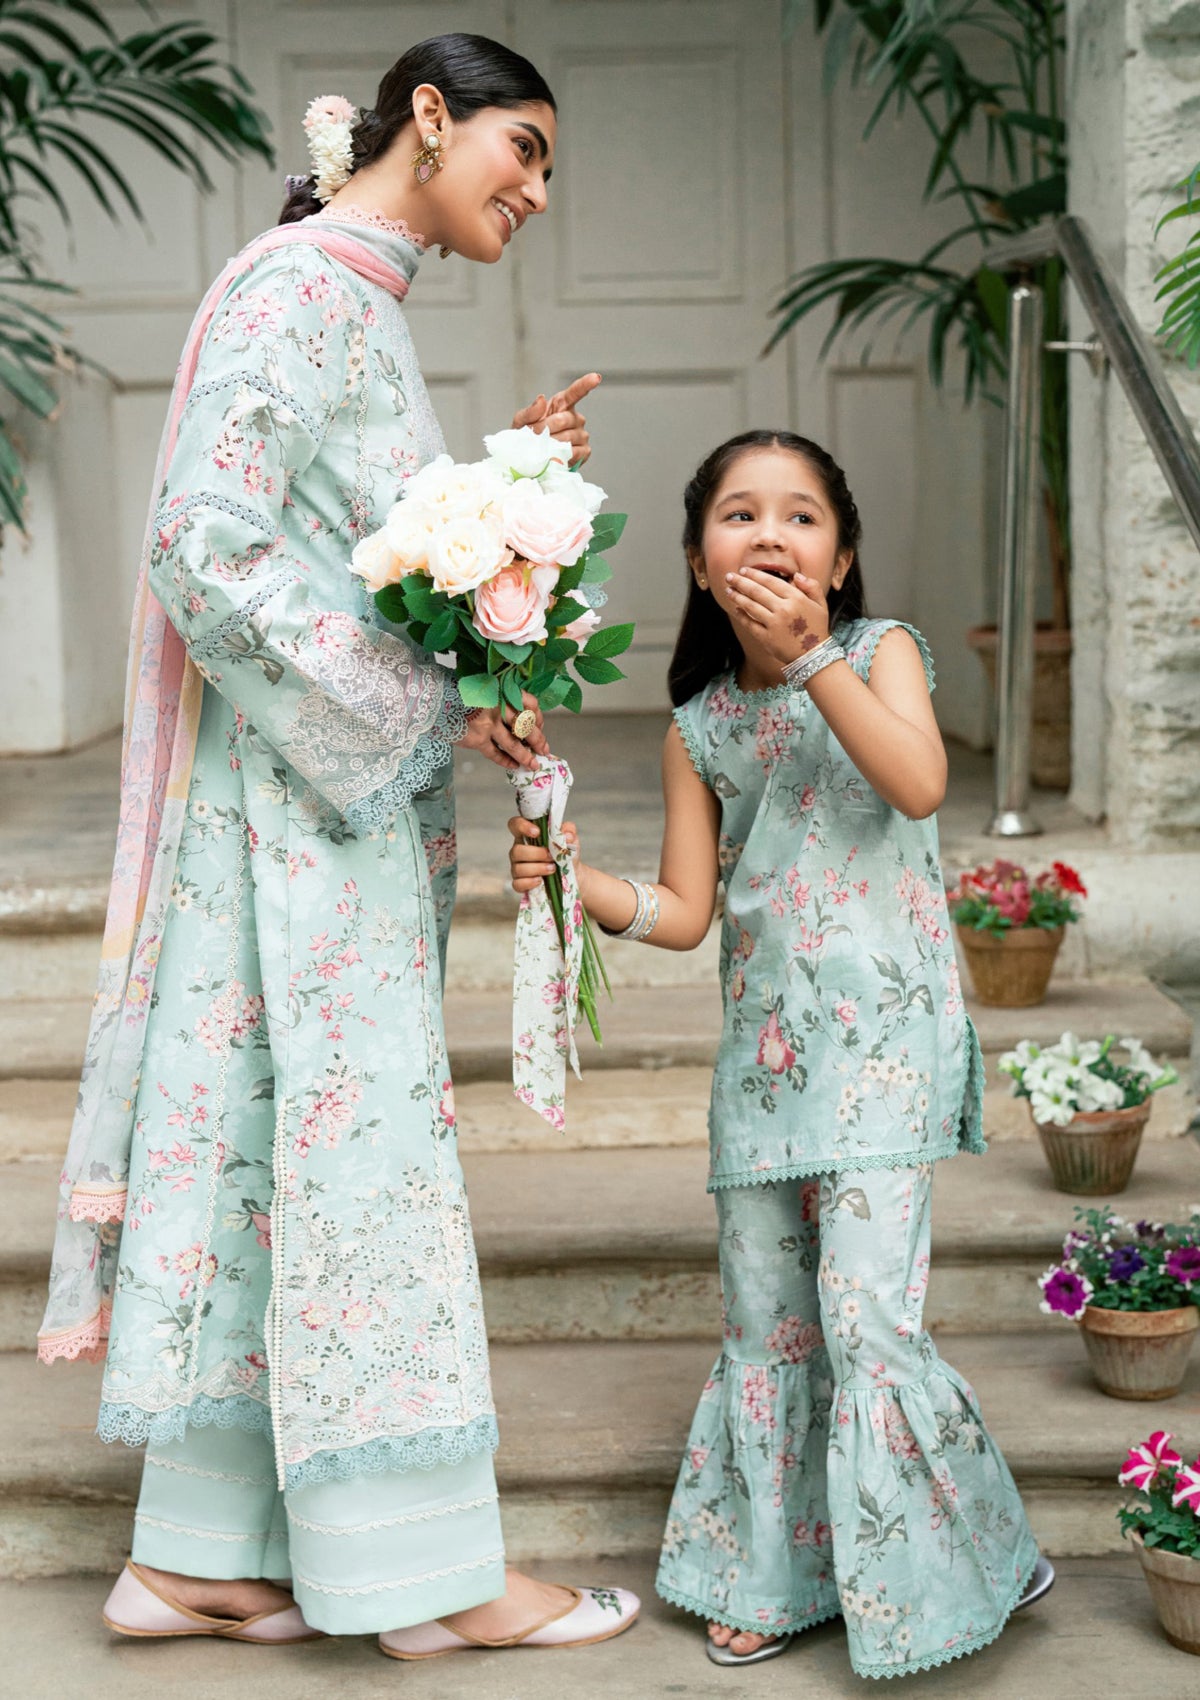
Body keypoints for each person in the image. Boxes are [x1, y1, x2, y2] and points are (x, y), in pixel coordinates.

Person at [38, 31, 639, 1659]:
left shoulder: (348, 297)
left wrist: (498, 506)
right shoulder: (306, 292)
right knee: (362, 1166)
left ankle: (195, 1559)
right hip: (304, 824)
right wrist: (409, 703)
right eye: (522, 147)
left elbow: (333, 543)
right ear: (429, 118)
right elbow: (205, 546)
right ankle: (426, 1581)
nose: (537, 189)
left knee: (274, 1152)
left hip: (317, 821)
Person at [508, 428, 1053, 1679]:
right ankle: (769, 1575)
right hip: (762, 1075)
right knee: (770, 1330)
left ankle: (961, 1567)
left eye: (801, 515)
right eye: (740, 513)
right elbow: (686, 911)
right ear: (698, 560)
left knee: (865, 1328)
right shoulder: (698, 726)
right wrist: (575, 881)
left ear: (841, 558)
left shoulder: (882, 650)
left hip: (886, 1058)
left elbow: (918, 783)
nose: (770, 532)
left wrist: (814, 659)